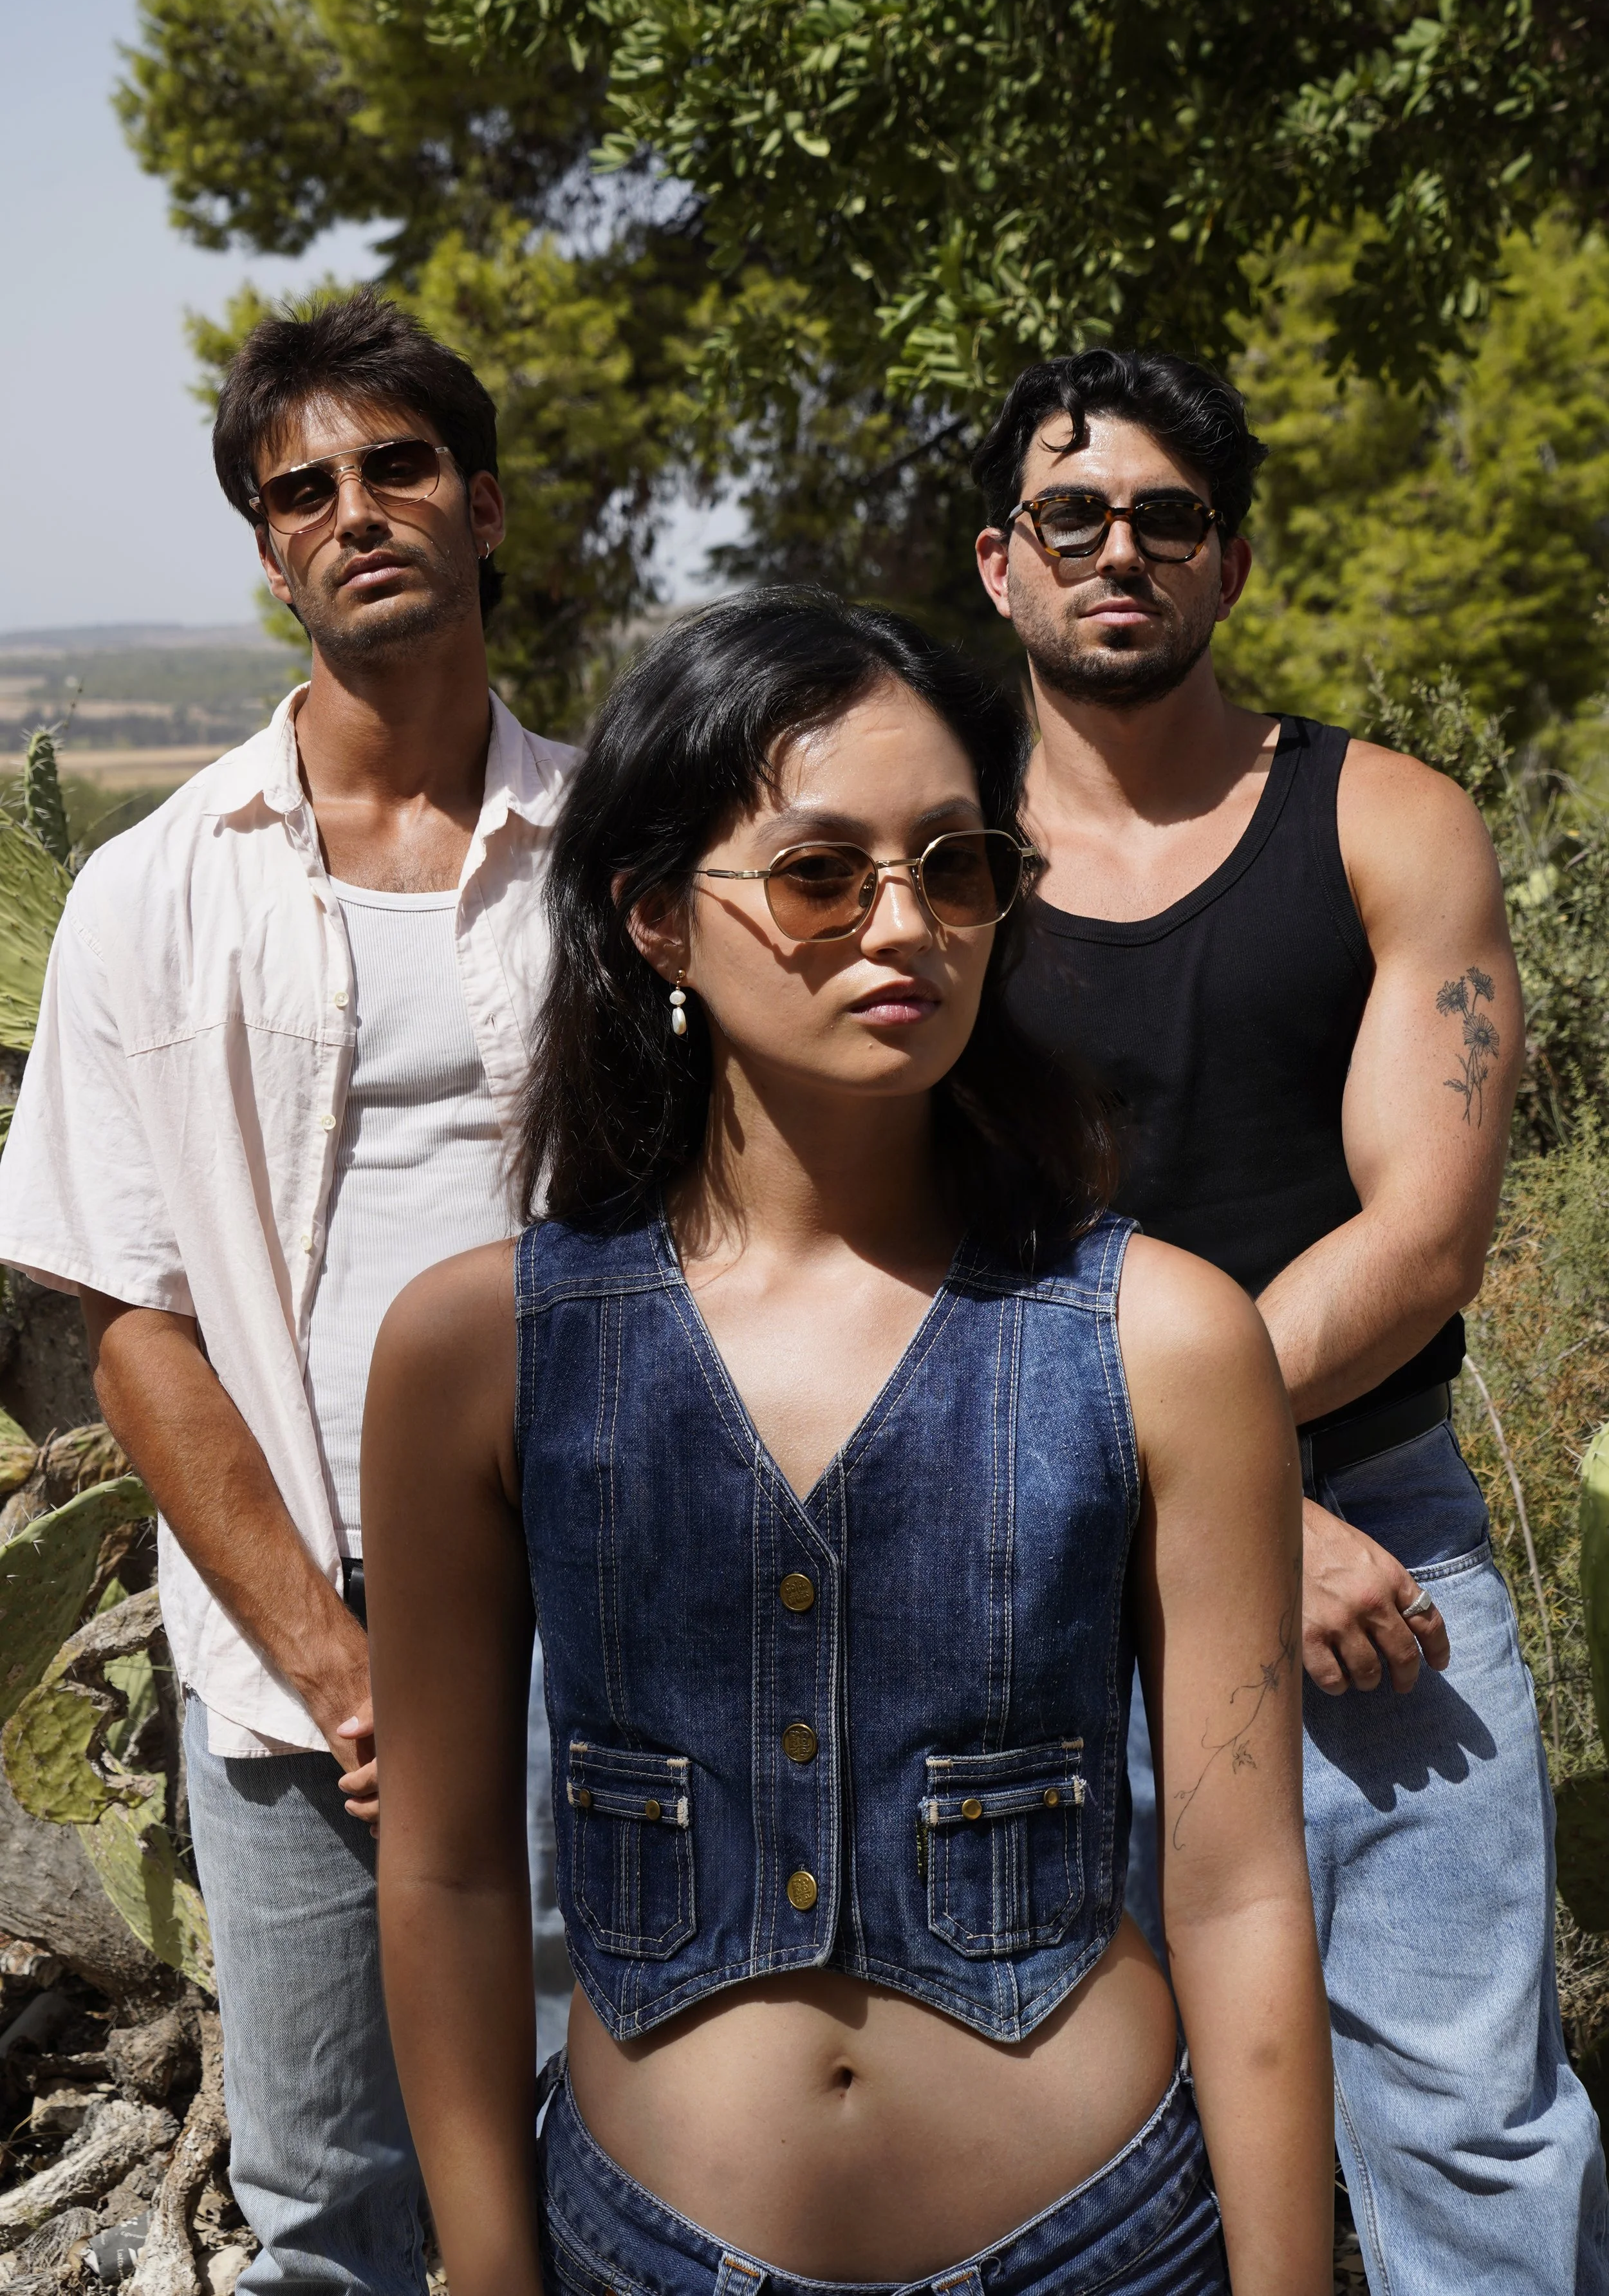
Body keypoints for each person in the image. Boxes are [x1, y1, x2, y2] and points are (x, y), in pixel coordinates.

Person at [361, 589, 1333, 2296]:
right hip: (642, 2252)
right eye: (820, 873)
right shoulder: (477, 1353)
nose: (906, 923)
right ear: (657, 917)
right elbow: (445, 1873)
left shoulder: (1163, 1337)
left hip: (1104, 2248)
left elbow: (1241, 1889)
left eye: (955, 866)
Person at [973, 349, 1609, 2293]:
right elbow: (881, 1240)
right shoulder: (927, 859)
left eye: (1169, 518)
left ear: (1231, 562)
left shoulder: (1384, 822)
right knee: (1070, 2148)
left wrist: (1232, 1495)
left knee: (1470, 2129)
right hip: (1012, 1558)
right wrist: (1223, 1511)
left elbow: (1423, 1238)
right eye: (1072, 515)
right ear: (1000, 560)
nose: (1120, 552)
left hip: (1376, 1549)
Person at [0, 288, 577, 2293]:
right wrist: (343, 1670)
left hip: (618, 1604)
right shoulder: (153, 891)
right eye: (301, 489)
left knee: (644, 2159)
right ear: (268, 554)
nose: (354, 510)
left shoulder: (628, 852)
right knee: (335, 2203)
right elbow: (131, 1321)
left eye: (396, 465)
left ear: (480, 504)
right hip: (298, 1653)